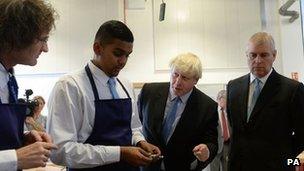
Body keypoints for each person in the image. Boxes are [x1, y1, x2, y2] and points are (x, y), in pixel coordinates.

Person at [47, 20, 161, 171]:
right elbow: (60, 152)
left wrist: (140, 142)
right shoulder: (70, 86)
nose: (123, 61)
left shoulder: (125, 84)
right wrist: (120, 153)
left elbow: (132, 128)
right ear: (97, 48)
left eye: (128, 55)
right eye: (118, 54)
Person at [226, 32, 304, 171]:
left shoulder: (292, 89)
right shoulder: (233, 87)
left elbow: (302, 135)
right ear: (247, 55)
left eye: (264, 55)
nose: (258, 60)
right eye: (253, 55)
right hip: (238, 166)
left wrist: (291, 165)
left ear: (274, 55)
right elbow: (235, 129)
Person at [0, 0, 58, 170]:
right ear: (18, 35)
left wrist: (20, 140)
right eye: (43, 39)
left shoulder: (8, 76)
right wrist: (15, 157)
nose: (45, 48)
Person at [138, 53, 218, 171]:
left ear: (195, 80)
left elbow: (212, 142)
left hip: (182, 166)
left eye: (185, 78)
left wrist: (207, 150)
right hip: (147, 165)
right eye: (175, 74)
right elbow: (142, 120)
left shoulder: (207, 106)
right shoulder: (149, 92)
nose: (177, 82)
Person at [209, 90, 229, 171]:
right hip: (215, 145)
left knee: (226, 167)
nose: (227, 103)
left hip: (227, 145)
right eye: (225, 100)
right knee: (214, 168)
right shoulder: (212, 111)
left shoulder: (229, 111)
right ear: (219, 99)